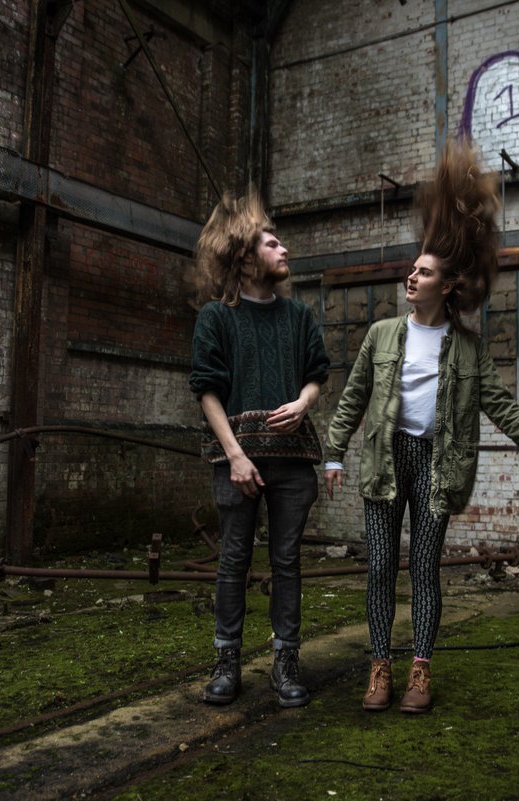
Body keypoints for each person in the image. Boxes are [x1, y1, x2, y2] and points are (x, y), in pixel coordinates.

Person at [323, 139, 519, 714]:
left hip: (438, 465)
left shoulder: (466, 347)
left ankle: (420, 672)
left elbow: (502, 408)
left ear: (448, 285)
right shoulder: (383, 335)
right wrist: (334, 453)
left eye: (424, 271)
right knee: (383, 566)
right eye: (412, 269)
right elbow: (353, 397)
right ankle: (380, 668)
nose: (412, 277)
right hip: (386, 462)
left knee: (426, 569)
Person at [188, 190, 329, 708]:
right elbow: (206, 390)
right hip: (237, 462)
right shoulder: (215, 318)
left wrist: (304, 402)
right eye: (273, 243)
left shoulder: (298, 317)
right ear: (246, 258)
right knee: (233, 561)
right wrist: (235, 457)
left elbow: (318, 373)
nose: (284, 249)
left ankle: (285, 663)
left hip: (293, 463)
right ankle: (226, 663)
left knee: (287, 561)